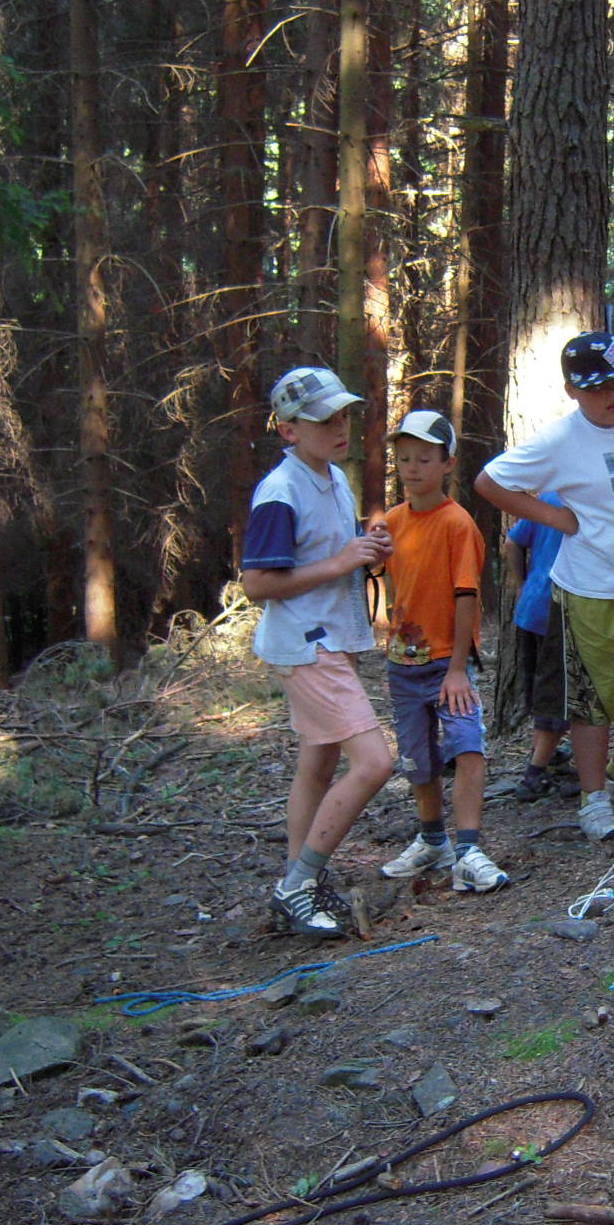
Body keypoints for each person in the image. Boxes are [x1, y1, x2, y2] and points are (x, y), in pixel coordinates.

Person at [475, 332, 614, 843]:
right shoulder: (561, 440)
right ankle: (593, 800)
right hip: (590, 589)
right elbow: (489, 482)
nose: (613, 393)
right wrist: (556, 518)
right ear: (573, 390)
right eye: (597, 387)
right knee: (590, 699)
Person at [240, 365, 394, 939]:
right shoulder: (279, 491)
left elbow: (336, 554)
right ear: (288, 430)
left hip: (334, 638)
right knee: (375, 763)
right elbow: (257, 583)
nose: (340, 427)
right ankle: (298, 885)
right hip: (308, 646)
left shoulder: (332, 479)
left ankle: (297, 882)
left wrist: (369, 549)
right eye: (324, 420)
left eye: (343, 416)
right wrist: (342, 560)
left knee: (319, 764)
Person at [372, 409, 514, 893]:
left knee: (467, 745)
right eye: (404, 459)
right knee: (417, 757)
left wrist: (457, 668)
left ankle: (469, 849)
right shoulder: (392, 523)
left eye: (424, 459)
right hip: (403, 661)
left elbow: (466, 594)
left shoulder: (457, 523)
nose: (412, 468)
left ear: (447, 463)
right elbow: (382, 579)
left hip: (448, 661)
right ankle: (433, 839)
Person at [502, 492, 570, 802]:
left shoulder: (548, 497)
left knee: (543, 691)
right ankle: (535, 774)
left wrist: (522, 586)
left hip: (532, 607)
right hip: (561, 612)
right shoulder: (587, 500)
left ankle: (547, 756)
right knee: (559, 695)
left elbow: (512, 542)